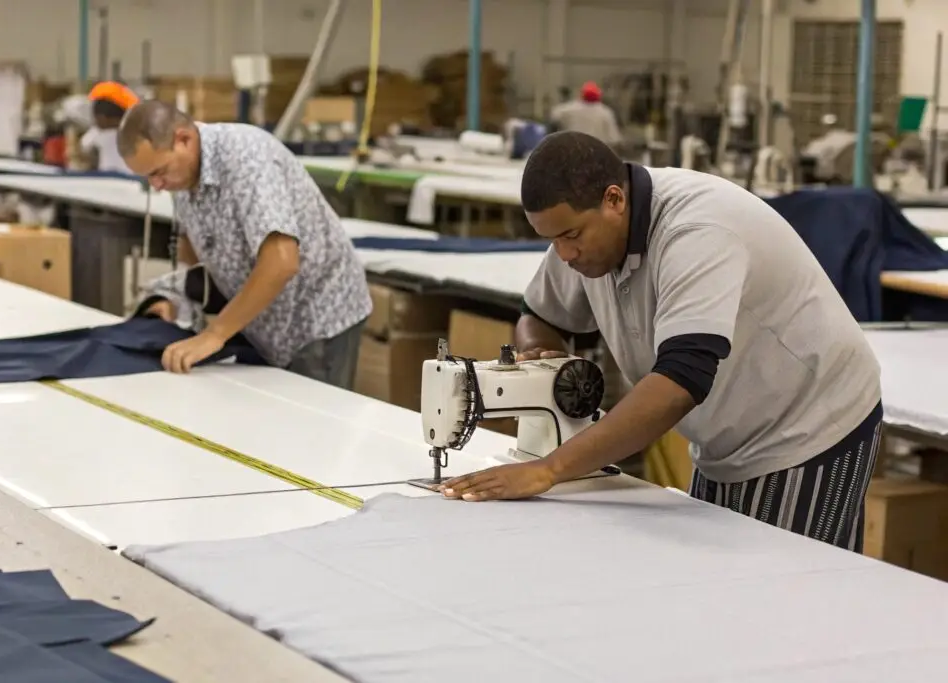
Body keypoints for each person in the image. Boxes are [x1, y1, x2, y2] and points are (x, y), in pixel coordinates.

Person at [440, 131, 883, 553]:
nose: (564, 255)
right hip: (726, 435)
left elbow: (680, 381)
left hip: (808, 424)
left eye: (571, 236)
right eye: (551, 240)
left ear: (614, 199)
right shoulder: (583, 233)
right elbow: (538, 315)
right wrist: (540, 354)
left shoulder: (696, 231)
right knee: (722, 587)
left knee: (786, 596)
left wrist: (549, 470)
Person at [116, 100, 372, 390]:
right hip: (264, 320)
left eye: (159, 171)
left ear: (183, 139)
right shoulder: (183, 175)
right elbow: (197, 245)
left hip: (316, 317)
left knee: (311, 426)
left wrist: (215, 334)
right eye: (148, 176)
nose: (157, 185)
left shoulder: (247, 159)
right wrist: (177, 300)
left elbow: (282, 261)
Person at [81, 81, 140, 174]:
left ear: (103, 118)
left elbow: (85, 150)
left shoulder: (99, 136)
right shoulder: (135, 134)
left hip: (107, 181)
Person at [548, 81, 623, 147]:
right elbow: (614, 139)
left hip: (573, 149)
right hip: (596, 151)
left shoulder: (568, 109)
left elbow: (554, 116)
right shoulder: (605, 112)